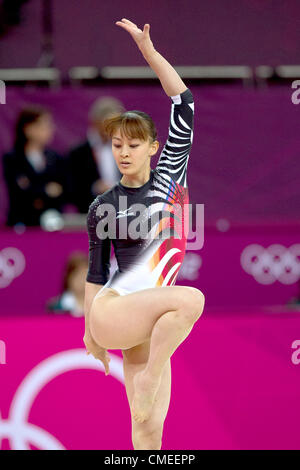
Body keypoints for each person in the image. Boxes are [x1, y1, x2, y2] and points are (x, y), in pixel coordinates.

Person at [83, 18, 205, 450]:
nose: (125, 152)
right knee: (192, 299)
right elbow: (96, 274)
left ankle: (149, 382)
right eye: (117, 145)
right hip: (114, 311)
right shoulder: (103, 205)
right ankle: (152, 373)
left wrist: (150, 54)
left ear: (155, 147)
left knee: (150, 428)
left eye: (134, 144)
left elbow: (184, 103)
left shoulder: (172, 174)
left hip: (148, 320)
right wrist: (89, 334)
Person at [2, 105, 67, 226]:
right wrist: (46, 190)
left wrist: (35, 188)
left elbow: (63, 189)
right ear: (28, 129)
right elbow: (19, 192)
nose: (50, 129)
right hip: (22, 223)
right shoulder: (13, 159)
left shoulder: (55, 158)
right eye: (44, 126)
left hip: (51, 222)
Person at [67, 96, 124, 213]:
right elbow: (70, 189)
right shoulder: (78, 153)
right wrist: (95, 188)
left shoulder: (126, 149)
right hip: (89, 215)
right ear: (96, 122)